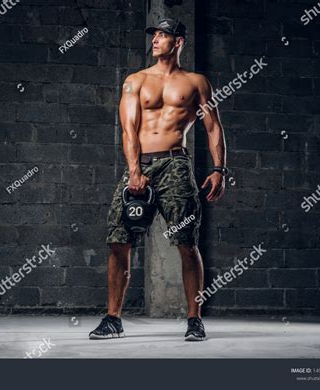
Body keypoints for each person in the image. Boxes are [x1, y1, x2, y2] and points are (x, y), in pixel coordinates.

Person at [89, 18, 227, 341]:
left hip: (175, 165)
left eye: (163, 35)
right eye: (154, 35)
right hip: (140, 164)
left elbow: (214, 128)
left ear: (178, 42)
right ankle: (113, 319)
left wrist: (220, 169)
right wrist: (134, 170)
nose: (156, 40)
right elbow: (128, 128)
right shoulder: (135, 81)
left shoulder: (196, 83)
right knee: (118, 240)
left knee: (187, 243)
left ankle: (194, 321)